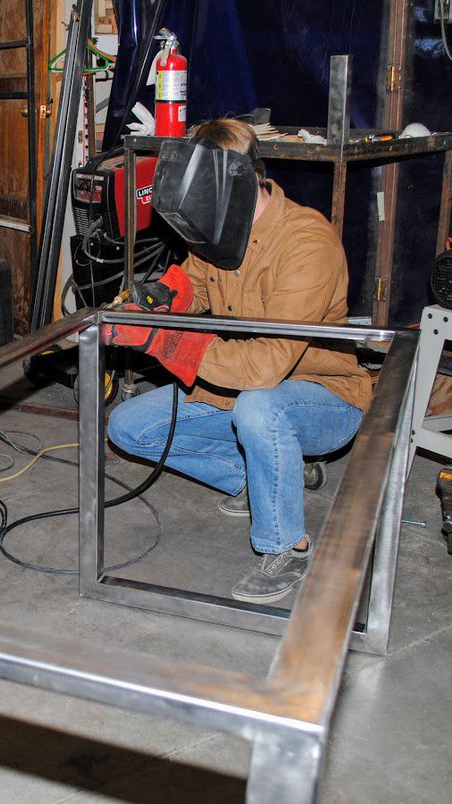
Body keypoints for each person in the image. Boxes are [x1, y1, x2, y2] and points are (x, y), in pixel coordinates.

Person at [105, 118, 372, 604]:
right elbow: (195, 285)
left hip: (321, 398)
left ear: (239, 184)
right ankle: (271, 476)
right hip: (241, 386)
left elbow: (267, 367)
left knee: (259, 409)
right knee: (128, 428)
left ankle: (287, 546)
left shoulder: (307, 242)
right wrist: (159, 300)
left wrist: (166, 343)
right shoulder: (220, 226)